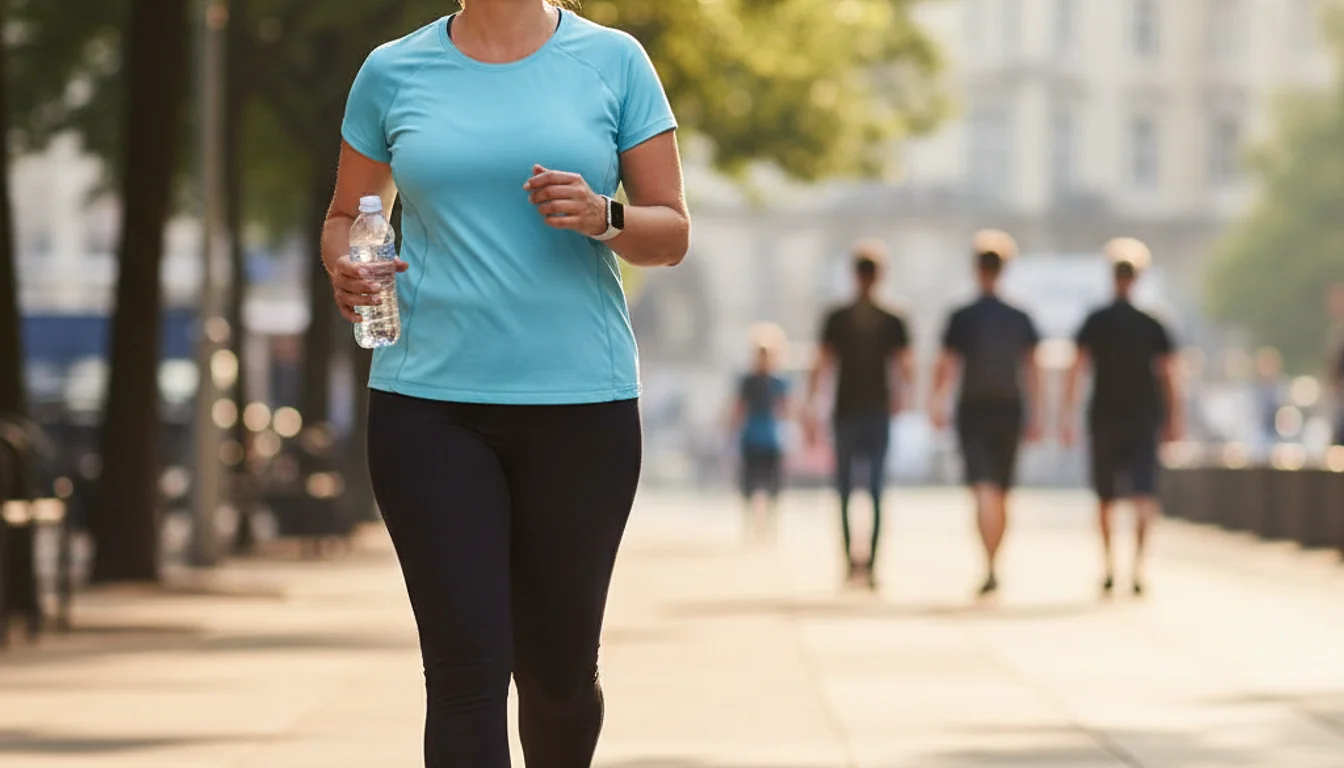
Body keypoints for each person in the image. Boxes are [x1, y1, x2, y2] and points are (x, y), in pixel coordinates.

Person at [323, 1, 688, 764]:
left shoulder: (613, 60)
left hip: (580, 406)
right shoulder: (393, 70)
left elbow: (671, 233)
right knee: (464, 670)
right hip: (426, 405)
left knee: (556, 675)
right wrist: (348, 268)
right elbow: (342, 217)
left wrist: (603, 215)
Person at [1061, 238, 1181, 597]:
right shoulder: (1153, 323)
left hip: (1104, 417)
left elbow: (1076, 371)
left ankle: (1109, 567)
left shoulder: (1095, 321)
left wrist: (1067, 416)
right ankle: (1139, 567)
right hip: (1144, 418)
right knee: (1144, 494)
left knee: (1106, 498)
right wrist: (1175, 418)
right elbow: (1169, 376)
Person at [929, 229, 1042, 597]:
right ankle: (995, 561)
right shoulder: (1020, 315)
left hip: (973, 410)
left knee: (983, 490)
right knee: (1003, 494)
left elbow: (944, 366)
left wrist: (937, 402)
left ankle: (987, 562)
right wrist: (1038, 414)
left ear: (976, 269)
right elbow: (1033, 369)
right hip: (1010, 409)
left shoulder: (962, 315)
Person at [806, 241, 913, 589]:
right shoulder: (893, 319)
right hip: (877, 411)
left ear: (855, 275)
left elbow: (820, 366)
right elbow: (906, 368)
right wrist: (902, 397)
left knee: (845, 491)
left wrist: (811, 405)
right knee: (877, 490)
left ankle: (851, 562)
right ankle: (872, 566)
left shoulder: (837, 317)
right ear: (880, 276)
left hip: (846, 411)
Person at [730, 322, 791, 539]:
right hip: (751, 438)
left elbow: (786, 410)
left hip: (772, 439)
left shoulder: (779, 382)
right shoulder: (747, 381)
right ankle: (750, 526)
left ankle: (769, 527)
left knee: (773, 487)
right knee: (749, 486)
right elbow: (737, 408)